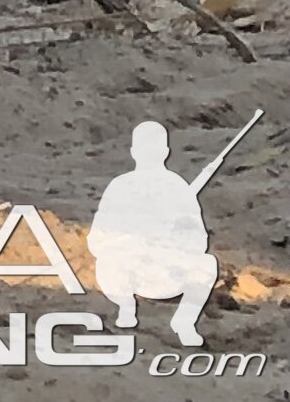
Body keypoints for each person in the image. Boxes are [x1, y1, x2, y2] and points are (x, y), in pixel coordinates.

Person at [88, 119, 220, 345]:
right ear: (134, 152)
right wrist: (131, 239)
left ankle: (185, 321)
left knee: (206, 264)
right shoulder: (120, 186)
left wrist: (171, 240)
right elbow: (97, 240)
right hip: (128, 272)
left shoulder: (177, 187)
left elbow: (199, 241)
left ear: (165, 152)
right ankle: (126, 307)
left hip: (167, 272)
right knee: (107, 263)